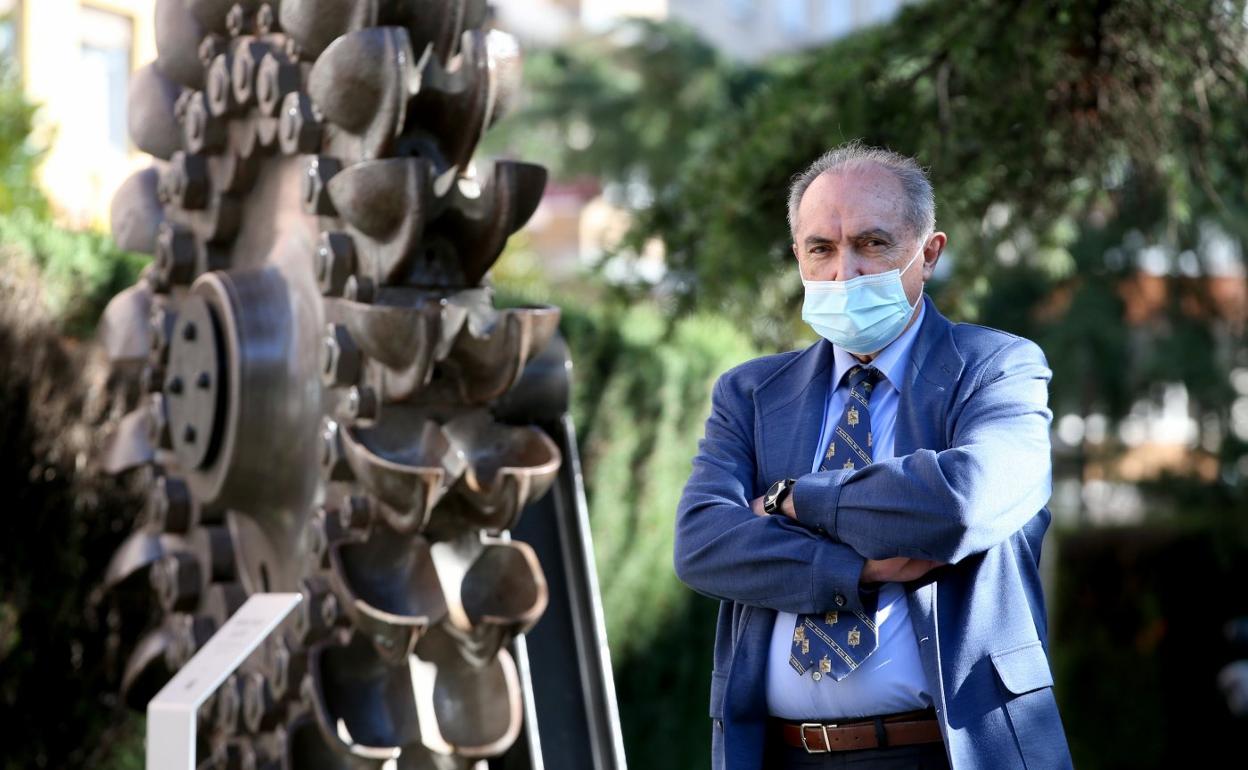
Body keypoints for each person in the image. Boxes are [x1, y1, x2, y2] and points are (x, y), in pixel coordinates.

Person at [674, 142, 1072, 769]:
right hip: (783, 754)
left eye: (873, 244)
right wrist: (859, 570)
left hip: (950, 751)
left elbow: (961, 503)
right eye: (821, 249)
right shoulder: (750, 394)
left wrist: (794, 498)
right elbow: (702, 544)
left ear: (928, 254)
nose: (845, 273)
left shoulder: (998, 368)